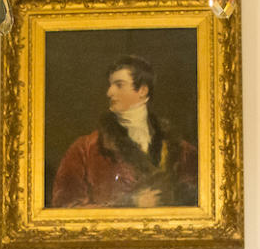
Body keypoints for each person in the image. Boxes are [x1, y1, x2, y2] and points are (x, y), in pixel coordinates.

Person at [50, 55, 198, 209]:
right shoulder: (85, 149)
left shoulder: (182, 151)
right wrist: (130, 204)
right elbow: (65, 209)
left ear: (142, 90)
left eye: (119, 85)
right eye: (110, 85)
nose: (109, 92)